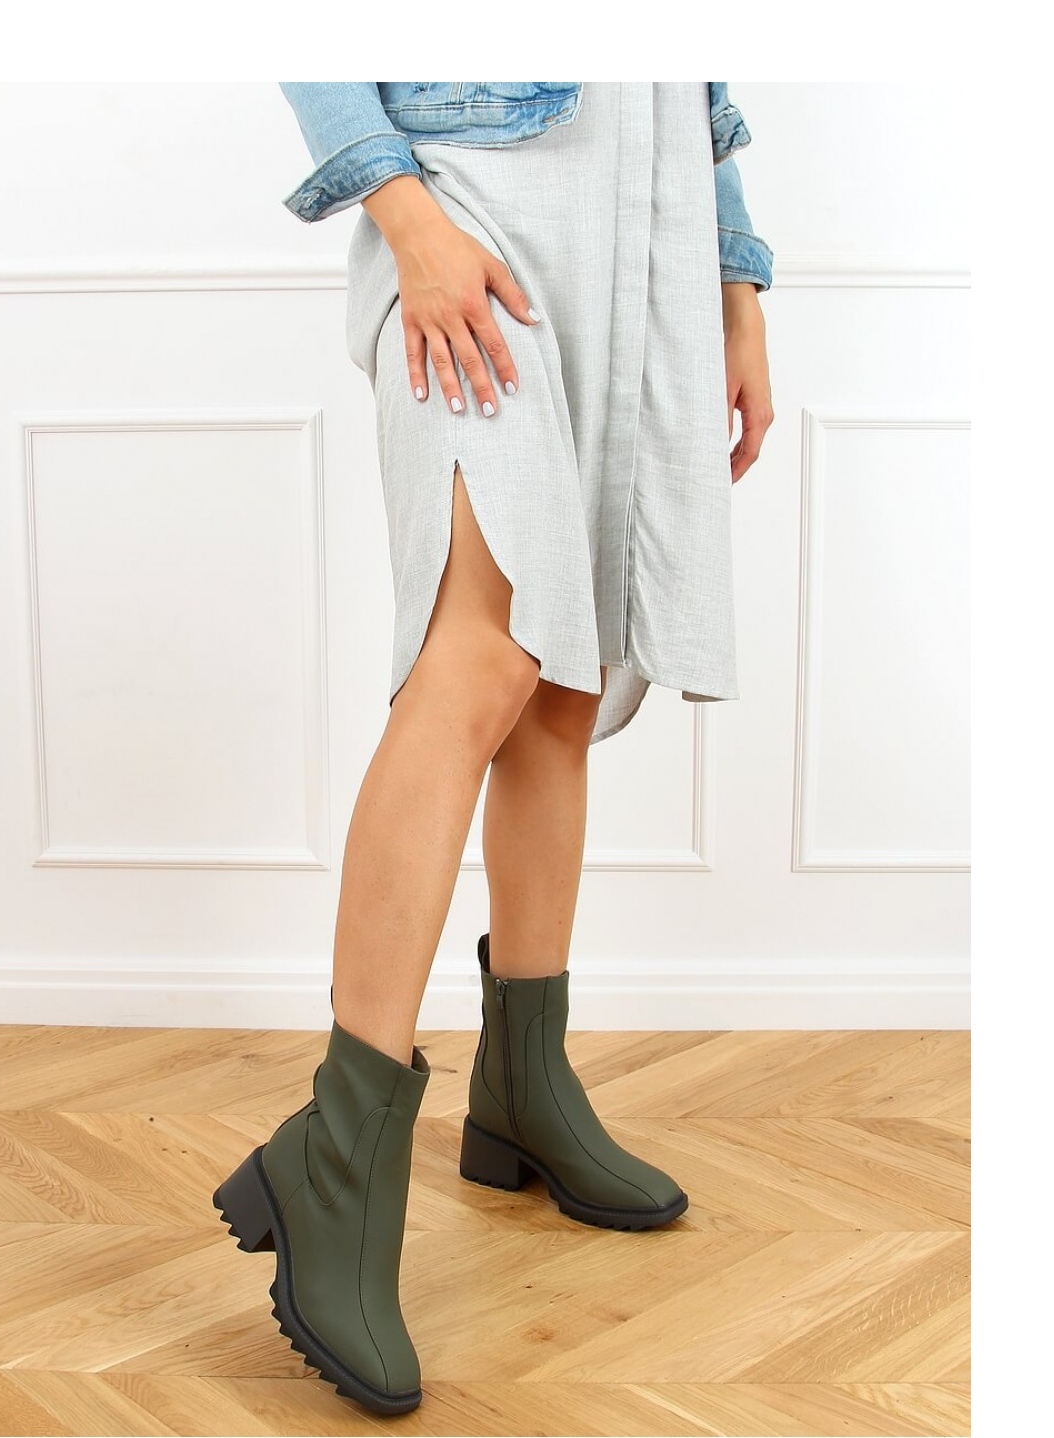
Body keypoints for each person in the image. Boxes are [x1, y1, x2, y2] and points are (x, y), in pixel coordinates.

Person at [213, 81, 774, 1416]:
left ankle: (524, 1080)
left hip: (648, 217)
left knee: (564, 686)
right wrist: (405, 216)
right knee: (484, 652)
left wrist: (735, 282)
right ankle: (337, 1151)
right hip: (473, 203)